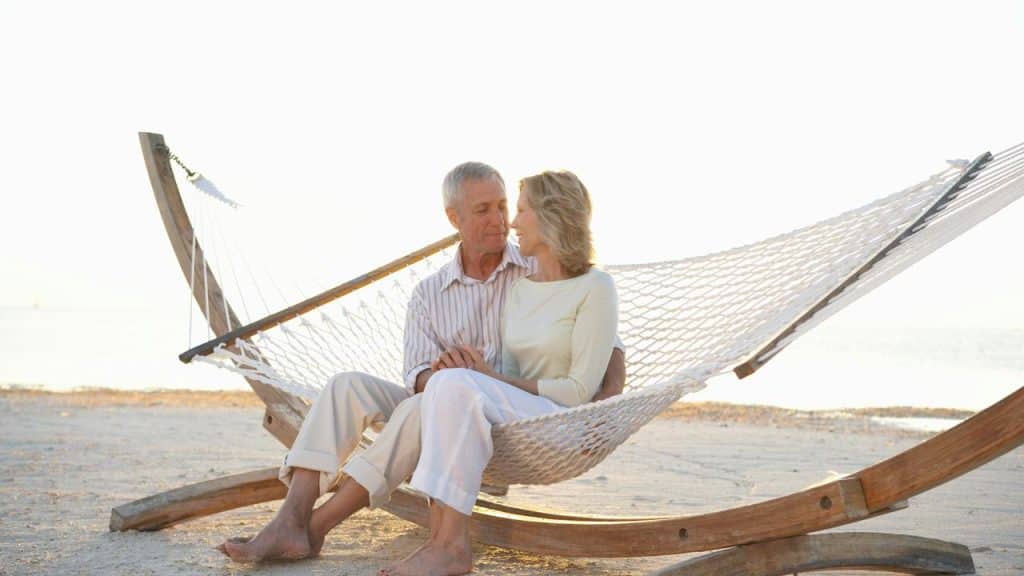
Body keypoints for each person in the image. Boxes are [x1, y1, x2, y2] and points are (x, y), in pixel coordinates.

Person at [218, 163, 625, 562]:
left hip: (496, 411)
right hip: (445, 397)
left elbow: (603, 343)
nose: (501, 221)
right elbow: (415, 373)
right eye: (484, 210)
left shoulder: (536, 266)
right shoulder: (429, 295)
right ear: (455, 218)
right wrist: (440, 370)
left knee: (428, 401)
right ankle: (292, 516)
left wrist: (601, 412)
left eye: (504, 206)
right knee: (348, 386)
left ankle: (317, 526)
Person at [381, 170, 617, 576]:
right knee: (448, 384)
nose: (511, 222)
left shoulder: (596, 288)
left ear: (550, 216)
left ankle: (448, 546)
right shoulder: (521, 288)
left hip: (566, 424)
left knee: (456, 382)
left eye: (520, 209)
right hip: (518, 422)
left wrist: (489, 378)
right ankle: (444, 542)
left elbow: (579, 390)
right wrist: (484, 376)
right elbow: (505, 370)